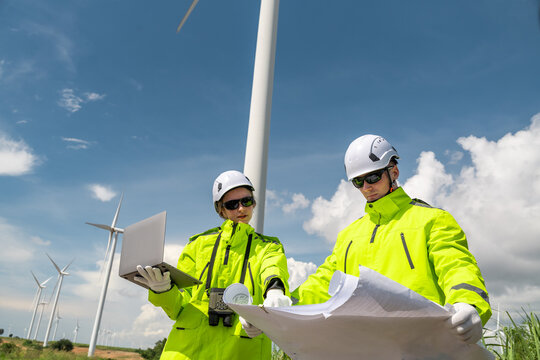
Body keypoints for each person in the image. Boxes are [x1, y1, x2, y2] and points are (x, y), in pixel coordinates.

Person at [292, 134, 491, 344]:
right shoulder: (348, 235)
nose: (366, 187)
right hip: (362, 347)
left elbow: (456, 266)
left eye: (373, 177)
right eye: (358, 181)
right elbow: (324, 282)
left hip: (424, 345)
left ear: (393, 172)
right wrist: (281, 305)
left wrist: (468, 303)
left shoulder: (432, 220)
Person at [135, 170, 292, 360]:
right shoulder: (197, 245)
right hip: (188, 351)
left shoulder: (268, 247)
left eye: (246, 201)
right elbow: (178, 308)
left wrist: (275, 291)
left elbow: (273, 269)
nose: (241, 209)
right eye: (232, 204)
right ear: (221, 209)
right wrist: (163, 290)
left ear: (254, 202)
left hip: (242, 350)